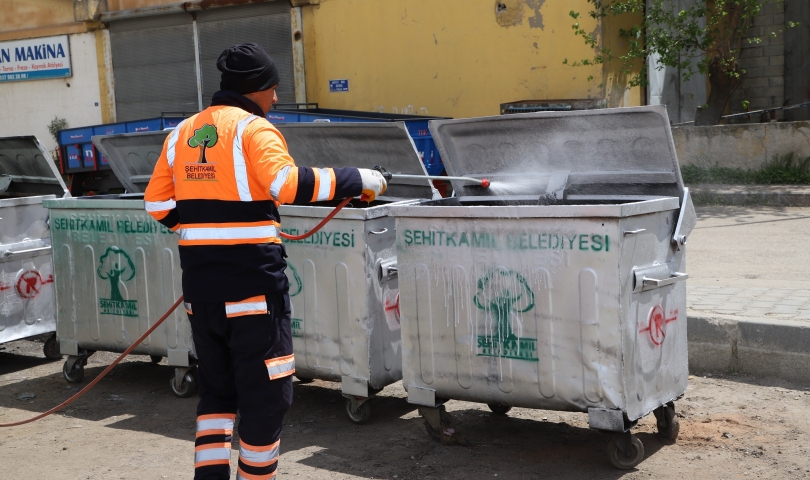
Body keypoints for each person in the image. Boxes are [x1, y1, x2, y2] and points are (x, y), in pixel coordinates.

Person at [144, 43, 387, 480]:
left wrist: (204, 231)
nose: (276, 99)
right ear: (256, 89)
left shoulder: (181, 133)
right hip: (253, 293)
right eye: (273, 89)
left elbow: (156, 204)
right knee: (266, 397)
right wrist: (357, 178)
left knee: (217, 394)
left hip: (202, 295)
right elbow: (286, 184)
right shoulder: (254, 130)